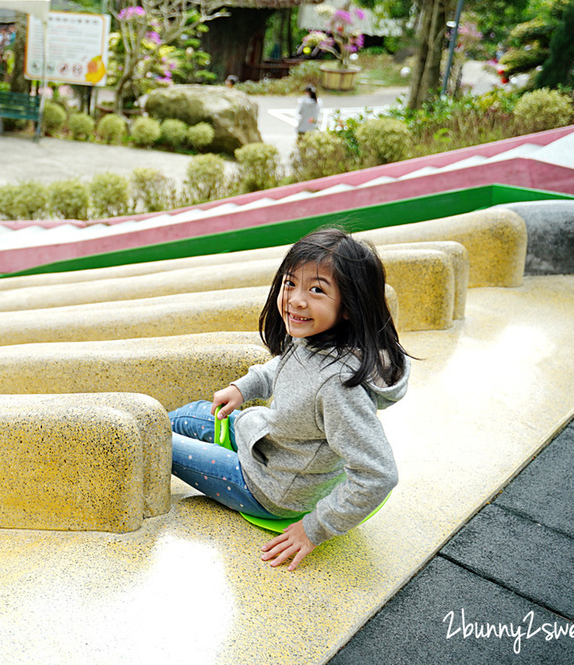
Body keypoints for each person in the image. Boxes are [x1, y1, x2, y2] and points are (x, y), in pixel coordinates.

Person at [168, 228, 410, 572]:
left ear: (349, 307)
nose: (296, 299)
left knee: (157, 443)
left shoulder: (338, 387)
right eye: (290, 283)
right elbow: (284, 365)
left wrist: (314, 529)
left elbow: (379, 474)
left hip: (267, 488)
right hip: (267, 443)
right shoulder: (317, 337)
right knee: (185, 416)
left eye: (316, 290)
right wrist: (244, 387)